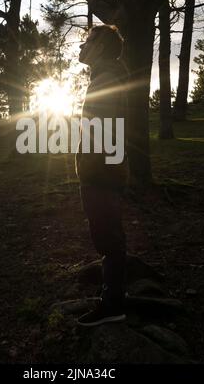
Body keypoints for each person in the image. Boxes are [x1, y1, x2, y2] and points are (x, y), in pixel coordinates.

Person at [75, 24, 129, 326]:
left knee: (108, 239)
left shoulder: (107, 79)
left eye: (88, 41)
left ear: (101, 48)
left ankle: (113, 305)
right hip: (104, 172)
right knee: (109, 237)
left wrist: (94, 170)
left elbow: (107, 132)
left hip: (102, 175)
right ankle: (114, 295)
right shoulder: (106, 76)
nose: (82, 46)